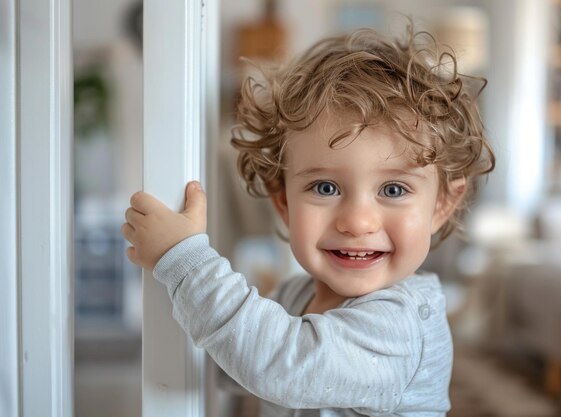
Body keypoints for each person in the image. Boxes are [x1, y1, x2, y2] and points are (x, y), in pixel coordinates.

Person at [122, 23, 495, 417]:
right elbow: (235, 360)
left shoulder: (399, 326)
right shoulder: (294, 296)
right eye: (325, 188)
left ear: (442, 205)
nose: (357, 221)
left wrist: (184, 262)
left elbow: (276, 363)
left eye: (394, 190)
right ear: (283, 201)